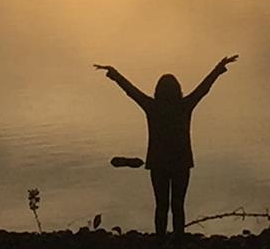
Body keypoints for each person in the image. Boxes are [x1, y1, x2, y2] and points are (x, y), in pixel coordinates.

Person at [95, 55, 238, 244]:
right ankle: (178, 238)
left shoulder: (152, 107)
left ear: (158, 91)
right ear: (178, 90)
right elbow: (204, 89)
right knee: (178, 205)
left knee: (161, 205)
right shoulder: (184, 106)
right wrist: (219, 68)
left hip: (158, 163)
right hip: (181, 163)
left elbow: (131, 92)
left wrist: (114, 74)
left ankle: (160, 240)